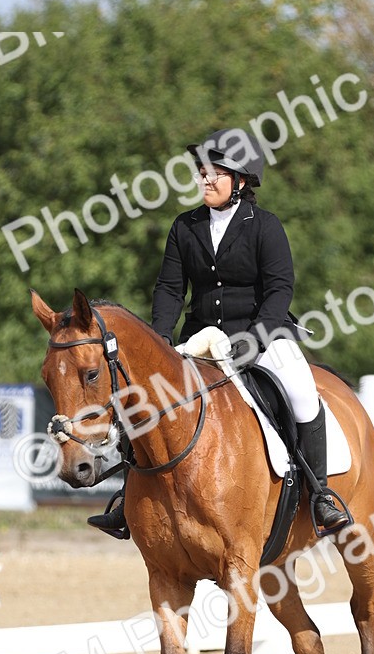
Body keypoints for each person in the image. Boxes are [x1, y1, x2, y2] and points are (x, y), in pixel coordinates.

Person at [88, 128, 350, 539]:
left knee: (300, 388)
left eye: (216, 172)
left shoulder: (265, 226)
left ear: (240, 181)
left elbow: (280, 287)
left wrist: (257, 338)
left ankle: (321, 494)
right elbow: (171, 289)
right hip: (200, 339)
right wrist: (159, 341)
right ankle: (128, 496)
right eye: (202, 172)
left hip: (261, 334)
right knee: (144, 395)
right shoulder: (185, 226)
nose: (205, 180)